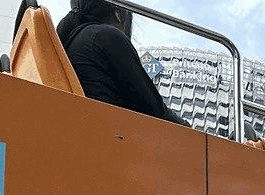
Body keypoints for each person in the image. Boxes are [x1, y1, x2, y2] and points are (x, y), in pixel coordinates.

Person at [57, 0, 189, 125]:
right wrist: (189, 127)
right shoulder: (106, 36)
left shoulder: (71, 42)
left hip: (90, 129)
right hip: (110, 135)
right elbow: (156, 111)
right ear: (118, 15)